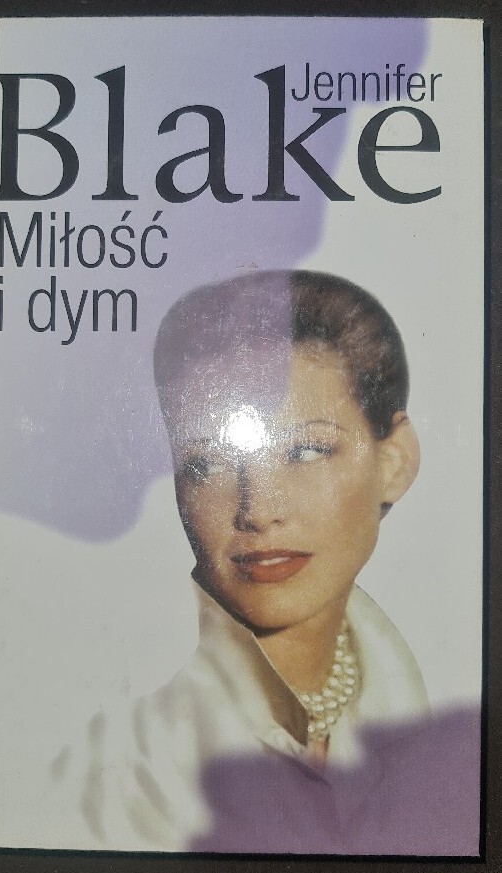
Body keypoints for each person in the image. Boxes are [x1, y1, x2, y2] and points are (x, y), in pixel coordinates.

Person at [123, 271, 479, 854]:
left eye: (307, 451)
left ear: (395, 461)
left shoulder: (432, 707)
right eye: (207, 464)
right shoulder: (125, 744)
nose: (258, 511)